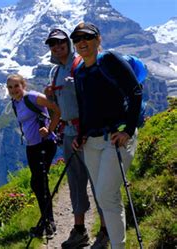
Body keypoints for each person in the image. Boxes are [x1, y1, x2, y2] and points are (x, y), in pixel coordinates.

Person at [71, 22, 142, 249]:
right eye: (77, 38)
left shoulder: (110, 60)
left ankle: (118, 246)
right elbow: (84, 107)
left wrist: (128, 131)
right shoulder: (80, 71)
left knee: (106, 193)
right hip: (91, 142)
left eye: (87, 37)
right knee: (104, 197)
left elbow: (135, 92)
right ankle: (116, 243)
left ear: (98, 39)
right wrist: (81, 134)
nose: (82, 42)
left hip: (116, 137)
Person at [44, 28, 108, 248]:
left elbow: (92, 100)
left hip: (87, 133)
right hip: (68, 133)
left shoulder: (81, 63)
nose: (57, 46)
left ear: (68, 43)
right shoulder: (54, 72)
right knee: (75, 183)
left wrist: (84, 131)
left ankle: (106, 229)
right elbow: (58, 107)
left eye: (61, 42)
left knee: (98, 181)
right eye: (52, 43)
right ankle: (79, 230)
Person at [6, 74, 60, 238]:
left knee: (40, 182)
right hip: (32, 146)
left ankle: (48, 223)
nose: (14, 90)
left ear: (23, 85)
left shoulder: (33, 97)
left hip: (45, 143)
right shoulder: (15, 103)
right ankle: (46, 221)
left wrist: (50, 129)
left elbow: (57, 109)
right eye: (10, 87)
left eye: (16, 86)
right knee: (37, 183)